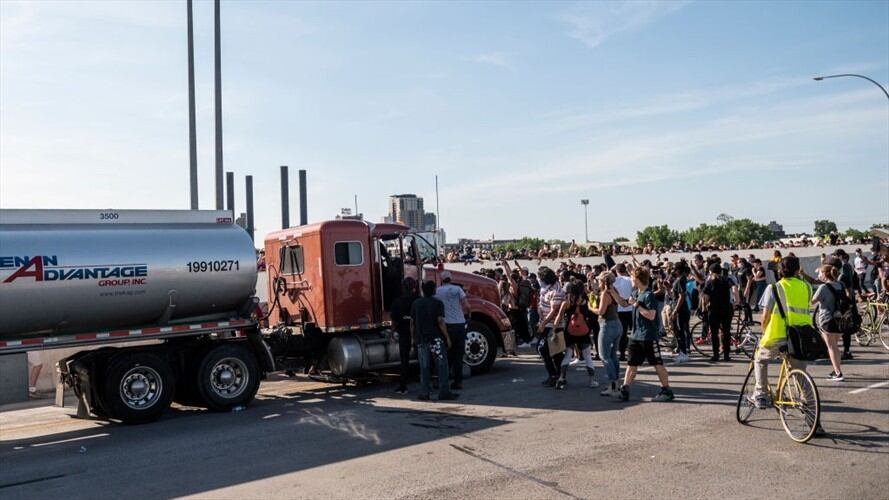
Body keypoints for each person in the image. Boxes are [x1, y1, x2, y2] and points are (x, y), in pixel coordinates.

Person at [754, 256, 814, 411]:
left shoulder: (774, 288)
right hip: (800, 336)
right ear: (797, 270)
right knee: (800, 373)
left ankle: (761, 394)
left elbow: (765, 317)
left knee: (760, 360)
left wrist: (764, 333)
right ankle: (810, 405)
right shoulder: (806, 287)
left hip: (778, 335)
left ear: (780, 271)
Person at [613, 268, 674, 402]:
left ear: (638, 279)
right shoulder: (635, 293)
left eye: (632, 278)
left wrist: (636, 305)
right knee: (631, 364)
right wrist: (612, 291)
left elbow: (651, 315)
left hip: (648, 336)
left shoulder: (648, 295)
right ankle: (625, 389)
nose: (631, 280)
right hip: (635, 335)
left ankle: (667, 390)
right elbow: (624, 303)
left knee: (657, 363)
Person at [411, 280, 458, 401]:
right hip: (436, 339)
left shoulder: (416, 303)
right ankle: (444, 392)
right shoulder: (438, 303)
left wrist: (413, 338)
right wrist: (447, 337)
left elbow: (412, 323)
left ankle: (424, 392)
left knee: (424, 366)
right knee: (442, 365)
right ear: (434, 291)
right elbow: (440, 321)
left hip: (422, 339)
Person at [554, 282, 598, 389]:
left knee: (568, 355)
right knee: (587, 356)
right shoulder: (586, 301)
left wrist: (554, 329)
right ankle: (592, 380)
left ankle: (561, 378)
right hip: (584, 331)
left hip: (570, 331)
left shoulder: (567, 302)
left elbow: (559, 316)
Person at [436, 271, 470, 390]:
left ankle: (443, 380)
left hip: (447, 326)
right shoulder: (458, 289)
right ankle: (458, 381)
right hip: (460, 324)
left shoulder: (438, 291)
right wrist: (468, 315)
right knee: (458, 355)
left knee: (447, 355)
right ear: (450, 279)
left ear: (441, 280)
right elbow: (467, 306)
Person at [811, 265, 845, 381]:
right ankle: (836, 369)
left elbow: (812, 301)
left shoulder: (823, 287)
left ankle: (838, 373)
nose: (818, 275)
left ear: (825, 274)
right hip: (840, 319)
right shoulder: (840, 285)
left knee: (831, 347)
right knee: (835, 346)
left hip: (827, 319)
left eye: (820, 273)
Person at [535, 268, 565, 386]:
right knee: (553, 352)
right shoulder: (546, 290)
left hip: (552, 325)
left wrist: (543, 324)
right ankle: (558, 375)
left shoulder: (556, 291)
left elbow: (554, 310)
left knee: (545, 349)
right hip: (545, 323)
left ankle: (556, 375)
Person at [391, 277, 420, 394]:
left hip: (404, 333)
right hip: (419, 333)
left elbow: (394, 321)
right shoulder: (419, 300)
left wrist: (392, 332)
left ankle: (403, 386)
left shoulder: (397, 302)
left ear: (403, 287)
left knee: (404, 361)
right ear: (414, 287)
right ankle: (427, 384)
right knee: (424, 358)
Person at [597, 272, 623, 396]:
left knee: (604, 356)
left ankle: (613, 385)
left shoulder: (604, 294)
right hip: (617, 323)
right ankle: (616, 383)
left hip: (607, 325)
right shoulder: (614, 290)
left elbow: (601, 311)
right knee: (613, 355)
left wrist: (591, 308)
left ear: (602, 281)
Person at [702, 263, 734, 362]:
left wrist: (704, 307)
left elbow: (706, 296)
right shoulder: (727, 280)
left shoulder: (710, 282)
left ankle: (716, 354)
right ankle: (726, 354)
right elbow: (734, 289)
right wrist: (736, 302)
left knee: (714, 333)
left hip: (714, 309)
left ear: (711, 272)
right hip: (726, 308)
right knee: (726, 332)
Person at [669, 261, 691, 363]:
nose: (673, 271)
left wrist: (675, 311)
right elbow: (675, 295)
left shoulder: (680, 280)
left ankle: (683, 353)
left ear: (678, 270)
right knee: (677, 331)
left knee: (680, 331)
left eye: (674, 269)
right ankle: (682, 352)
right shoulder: (679, 280)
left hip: (680, 310)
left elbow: (681, 296)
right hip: (679, 308)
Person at [613, 263, 634, 361]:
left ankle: (622, 354)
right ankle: (635, 352)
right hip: (630, 308)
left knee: (622, 333)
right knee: (633, 331)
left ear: (616, 271)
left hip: (619, 309)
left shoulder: (614, 280)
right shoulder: (629, 279)